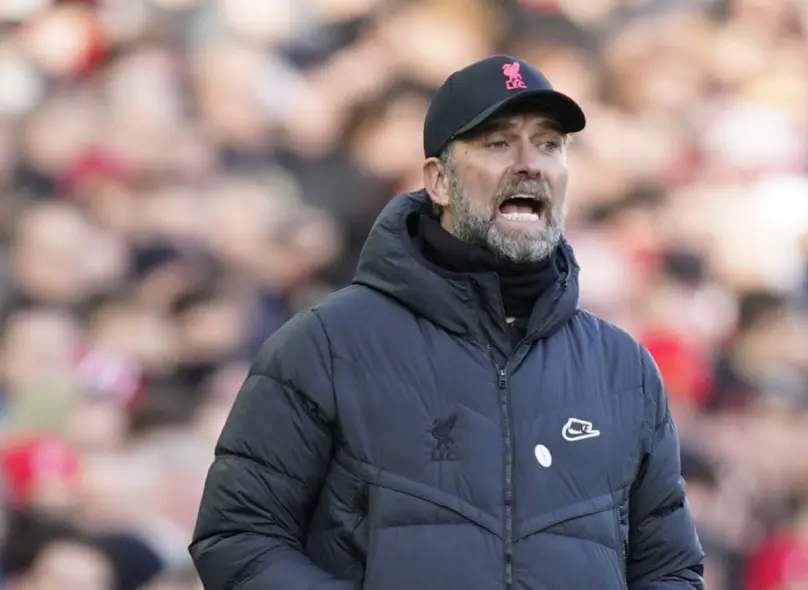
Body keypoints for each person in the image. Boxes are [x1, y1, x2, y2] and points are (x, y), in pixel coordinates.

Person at [189, 54, 705, 590]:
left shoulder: (622, 368)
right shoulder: (325, 345)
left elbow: (670, 569)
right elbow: (239, 538)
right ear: (439, 180)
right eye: (498, 143)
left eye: (549, 144)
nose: (530, 163)